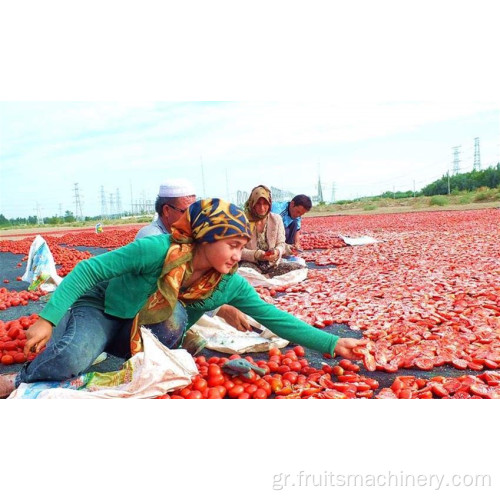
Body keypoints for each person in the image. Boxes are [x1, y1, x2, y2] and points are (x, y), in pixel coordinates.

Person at [0, 199, 366, 397]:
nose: (239, 255)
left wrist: (333, 342)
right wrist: (47, 318)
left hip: (141, 327)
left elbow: (275, 318)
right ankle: (21, 381)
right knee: (70, 359)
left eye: (242, 247)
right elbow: (87, 271)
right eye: (233, 245)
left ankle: (126, 360)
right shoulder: (157, 249)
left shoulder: (229, 284)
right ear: (206, 238)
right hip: (104, 307)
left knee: (175, 315)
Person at [136, 179, 250, 332]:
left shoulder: (188, 235)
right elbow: (169, 289)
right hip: (148, 306)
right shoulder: (151, 238)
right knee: (180, 317)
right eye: (187, 211)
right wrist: (220, 309)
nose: (194, 215)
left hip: (179, 301)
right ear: (166, 210)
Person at [239, 185, 305, 278]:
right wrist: (256, 254)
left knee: (300, 268)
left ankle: (266, 276)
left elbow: (281, 243)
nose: (262, 208)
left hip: (272, 264)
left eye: (265, 203)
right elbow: (238, 250)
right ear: (252, 203)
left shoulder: (276, 219)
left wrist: (277, 252)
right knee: (244, 272)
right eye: (258, 204)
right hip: (251, 263)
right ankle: (266, 277)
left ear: (270, 203)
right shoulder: (243, 221)